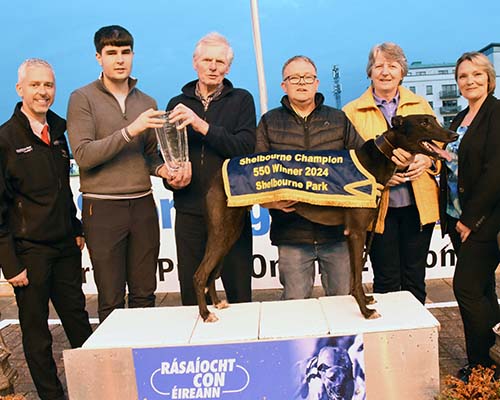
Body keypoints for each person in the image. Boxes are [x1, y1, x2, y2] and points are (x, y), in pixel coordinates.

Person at [0, 59, 93, 400]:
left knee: (79, 323)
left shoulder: (58, 130)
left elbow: (62, 190)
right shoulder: (6, 139)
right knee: (38, 336)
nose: (43, 92)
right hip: (29, 253)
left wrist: (75, 226)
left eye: (49, 85)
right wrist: (10, 263)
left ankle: (92, 389)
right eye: (35, 85)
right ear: (20, 89)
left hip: (66, 247)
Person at [67, 25, 170, 321]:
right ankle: (114, 367)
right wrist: (130, 130)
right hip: (102, 207)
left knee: (144, 294)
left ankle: (143, 364)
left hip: (142, 206)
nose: (120, 59)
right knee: (111, 299)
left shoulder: (146, 102)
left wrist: (165, 169)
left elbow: (150, 156)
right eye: (112, 53)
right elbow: (84, 155)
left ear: (133, 55)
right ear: (99, 57)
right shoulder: (82, 98)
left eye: (125, 52)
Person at [254, 55, 365, 300]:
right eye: (294, 78)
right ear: (284, 85)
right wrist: (270, 202)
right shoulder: (269, 122)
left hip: (336, 233)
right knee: (295, 307)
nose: (301, 83)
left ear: (317, 83)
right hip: (292, 233)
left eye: (307, 77)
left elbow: (361, 167)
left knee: (343, 303)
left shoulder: (339, 120)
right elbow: (258, 174)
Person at [165, 32, 256, 306]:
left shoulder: (242, 100)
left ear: (228, 68)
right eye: (207, 60)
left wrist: (200, 125)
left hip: (232, 210)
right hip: (190, 209)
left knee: (239, 294)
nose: (213, 66)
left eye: (220, 61)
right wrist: (173, 179)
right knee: (193, 295)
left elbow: (245, 147)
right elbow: (171, 156)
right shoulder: (175, 104)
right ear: (195, 63)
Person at [343, 43, 438, 304]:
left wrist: (426, 160)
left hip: (418, 207)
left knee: (415, 277)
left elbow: (438, 146)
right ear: (370, 72)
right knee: (385, 278)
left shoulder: (420, 104)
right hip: (377, 208)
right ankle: (389, 341)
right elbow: (348, 162)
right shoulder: (351, 112)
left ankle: (415, 339)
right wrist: (379, 176)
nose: (385, 72)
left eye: (392, 66)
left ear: (402, 72)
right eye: (379, 66)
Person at [439, 52, 500, 379]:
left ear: (489, 77)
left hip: (483, 221)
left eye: (477, 74)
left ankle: (481, 366)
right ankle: (492, 358)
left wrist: (469, 220)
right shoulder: (458, 118)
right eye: (463, 76)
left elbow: (495, 172)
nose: (470, 81)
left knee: (465, 288)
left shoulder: (497, 114)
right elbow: (455, 162)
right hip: (455, 219)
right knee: (483, 291)